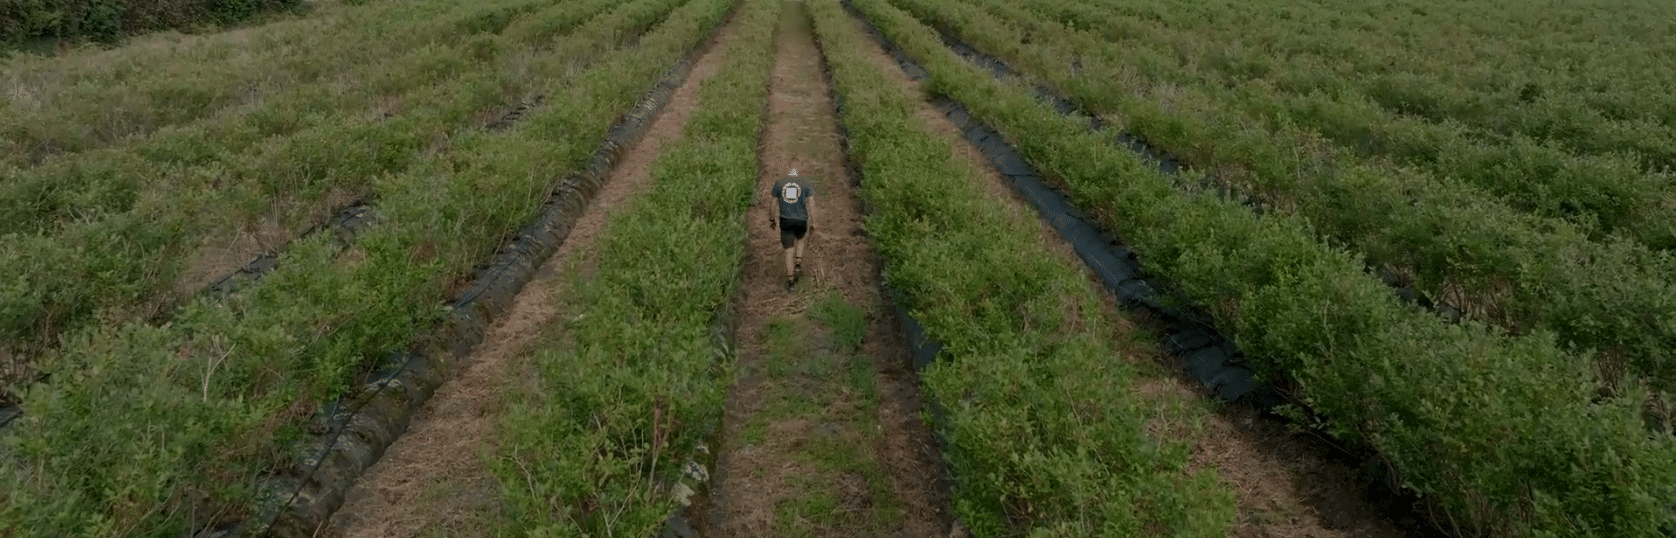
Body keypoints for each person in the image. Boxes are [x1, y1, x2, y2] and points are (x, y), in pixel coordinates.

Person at [768, 168, 815, 290]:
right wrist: (813, 222)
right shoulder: (805, 182)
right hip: (802, 220)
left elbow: (772, 204)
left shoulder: (779, 182)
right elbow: (811, 204)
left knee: (789, 251)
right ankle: (798, 264)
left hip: (786, 220)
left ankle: (791, 282)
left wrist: (772, 219)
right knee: (800, 239)